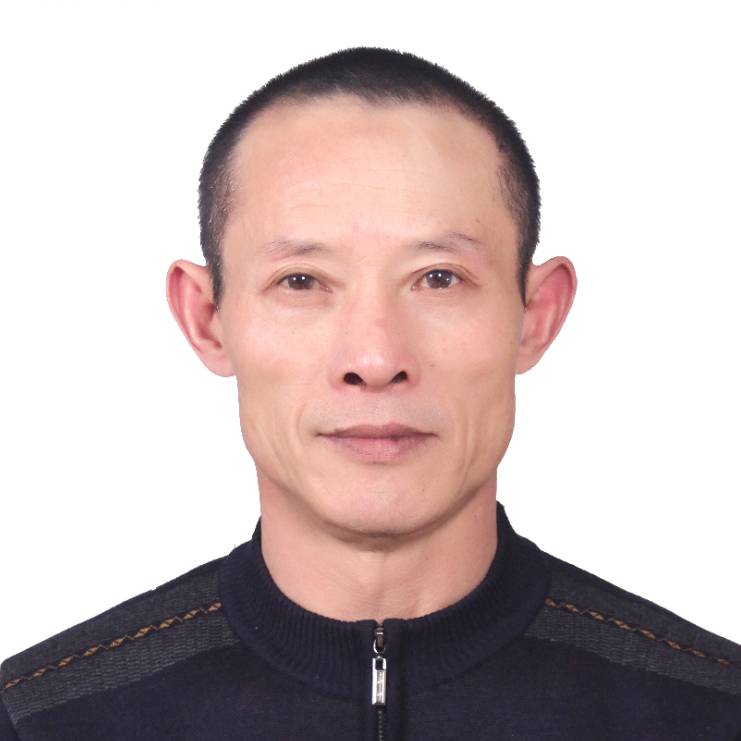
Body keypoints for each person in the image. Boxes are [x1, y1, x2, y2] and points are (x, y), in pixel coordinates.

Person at [1, 46, 739, 740]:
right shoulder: (40, 720)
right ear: (206, 319)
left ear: (535, 315)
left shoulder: (710, 711)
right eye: (300, 281)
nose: (376, 359)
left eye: (438, 278)